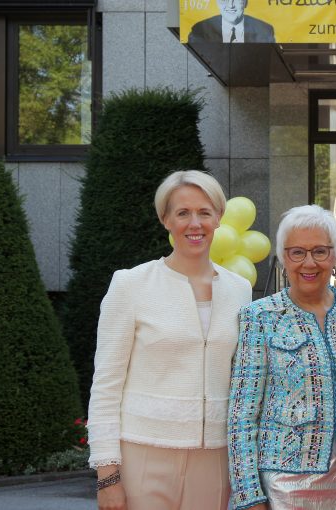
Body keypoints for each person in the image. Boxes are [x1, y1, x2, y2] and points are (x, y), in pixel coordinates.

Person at [87, 170, 253, 510]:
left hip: (216, 459)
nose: (195, 223)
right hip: (143, 455)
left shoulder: (240, 289)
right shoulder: (130, 284)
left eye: (205, 212)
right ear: (166, 220)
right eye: (183, 213)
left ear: (218, 218)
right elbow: (105, 386)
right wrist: (108, 476)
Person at [227, 205, 336, 510]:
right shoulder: (260, 317)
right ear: (284, 259)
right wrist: (250, 497)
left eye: (320, 251)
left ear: (335, 257)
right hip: (284, 486)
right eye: (297, 252)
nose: (309, 262)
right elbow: (241, 417)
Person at [189, 0, 275, 43]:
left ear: (245, 2)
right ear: (217, 2)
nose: (231, 5)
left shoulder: (264, 30)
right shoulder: (200, 30)